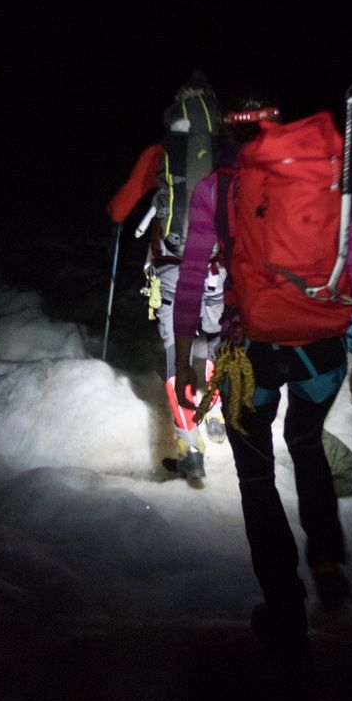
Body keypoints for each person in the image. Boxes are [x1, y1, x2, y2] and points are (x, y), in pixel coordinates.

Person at [172, 97, 352, 654]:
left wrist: (184, 355)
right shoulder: (314, 181)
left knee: (257, 479)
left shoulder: (214, 190)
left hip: (251, 355)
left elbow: (193, 274)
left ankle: (285, 610)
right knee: (306, 442)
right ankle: (328, 559)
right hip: (325, 353)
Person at [106, 69, 225, 479]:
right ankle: (216, 414)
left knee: (178, 349)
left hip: (172, 261)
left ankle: (189, 448)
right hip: (217, 263)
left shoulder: (160, 153)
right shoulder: (226, 152)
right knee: (210, 339)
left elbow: (120, 209)